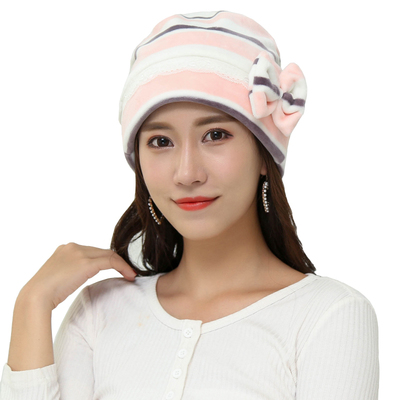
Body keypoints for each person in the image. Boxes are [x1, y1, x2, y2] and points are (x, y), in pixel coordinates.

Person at [0, 10, 379, 400]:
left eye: (215, 134)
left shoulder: (329, 315)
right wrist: (32, 303)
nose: (186, 173)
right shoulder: (98, 311)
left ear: (265, 154)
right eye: (161, 141)